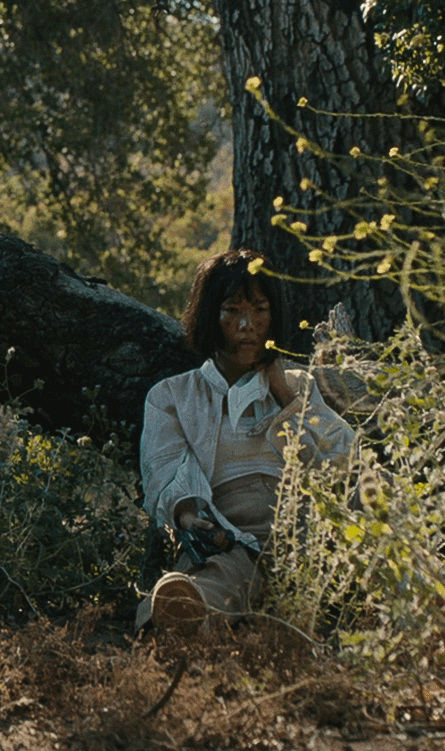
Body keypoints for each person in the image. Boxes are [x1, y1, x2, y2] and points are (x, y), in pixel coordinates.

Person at [136, 248, 355, 634]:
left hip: (303, 535)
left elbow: (343, 458)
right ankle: (181, 618)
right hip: (230, 537)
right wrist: (188, 516)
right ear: (209, 316)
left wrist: (286, 397)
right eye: (231, 310)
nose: (246, 325)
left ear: (274, 317)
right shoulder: (173, 396)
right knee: (216, 577)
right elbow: (164, 472)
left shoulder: (298, 387)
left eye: (259, 310)